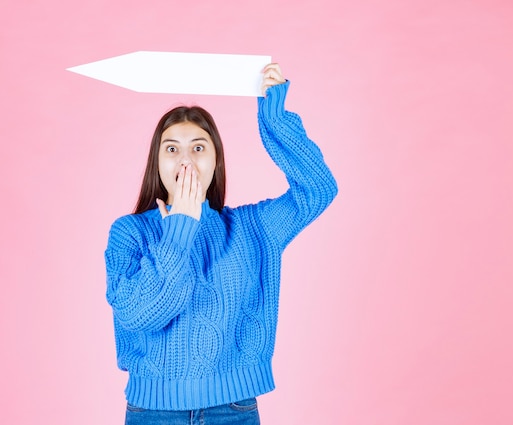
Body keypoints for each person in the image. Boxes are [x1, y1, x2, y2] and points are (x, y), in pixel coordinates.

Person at [105, 64, 338, 425]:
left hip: (233, 410)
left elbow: (318, 190)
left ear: (216, 161)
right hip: (153, 413)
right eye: (172, 149)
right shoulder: (129, 233)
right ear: (157, 162)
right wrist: (180, 226)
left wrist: (274, 116)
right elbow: (140, 315)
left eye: (199, 147)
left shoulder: (252, 228)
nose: (186, 160)